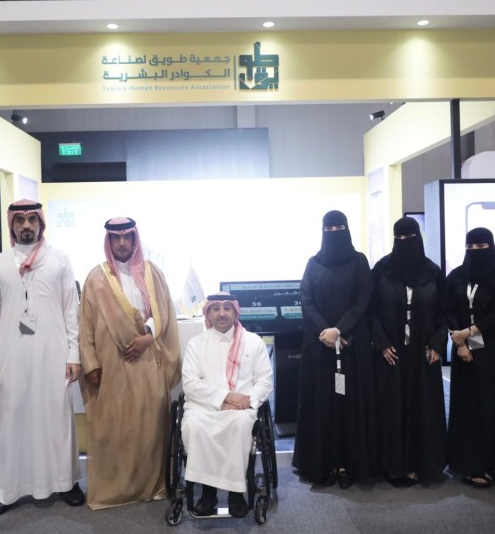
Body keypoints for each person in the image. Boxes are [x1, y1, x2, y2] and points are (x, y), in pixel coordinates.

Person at [0, 199, 85, 516]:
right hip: (11, 355)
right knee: (12, 419)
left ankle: (66, 482)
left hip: (54, 355)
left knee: (57, 418)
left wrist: (74, 354)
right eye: (20, 220)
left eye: (32, 219)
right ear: (12, 225)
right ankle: (7, 489)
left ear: (41, 223)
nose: (26, 225)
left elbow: (71, 311)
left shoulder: (59, 260)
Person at [78, 217, 182, 510]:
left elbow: (164, 312)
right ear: (109, 242)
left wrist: (147, 337)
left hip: (147, 361)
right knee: (115, 426)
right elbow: (85, 325)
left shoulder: (152, 273)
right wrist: (91, 365)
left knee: (150, 425)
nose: (122, 243)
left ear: (135, 240)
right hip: (111, 364)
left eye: (127, 237)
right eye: (116, 238)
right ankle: (115, 490)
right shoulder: (96, 277)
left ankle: (151, 486)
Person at [292, 210, 375, 489]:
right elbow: (306, 300)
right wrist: (326, 332)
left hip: (352, 346)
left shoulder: (359, 262)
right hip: (319, 348)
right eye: (329, 229)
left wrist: (340, 330)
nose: (334, 233)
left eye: (339, 228)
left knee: (350, 406)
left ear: (347, 230)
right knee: (322, 406)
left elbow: (364, 299)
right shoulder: (313, 263)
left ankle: (348, 464)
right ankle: (323, 464)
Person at [369, 217, 448, 486]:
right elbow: (370, 311)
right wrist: (381, 343)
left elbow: (444, 311)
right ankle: (393, 465)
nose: (404, 243)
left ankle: (420, 464)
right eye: (399, 239)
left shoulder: (433, 272)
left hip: (423, 352)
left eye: (409, 238)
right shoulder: (382, 270)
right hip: (390, 353)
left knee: (422, 407)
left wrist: (437, 343)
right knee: (391, 407)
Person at [180, 292, 274, 517]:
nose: (221, 313)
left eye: (227, 308)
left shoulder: (253, 341)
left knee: (240, 425)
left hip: (241, 408)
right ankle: (208, 493)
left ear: (235, 311)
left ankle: (236, 493)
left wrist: (246, 402)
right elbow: (190, 384)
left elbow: (264, 381)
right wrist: (225, 398)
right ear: (208, 313)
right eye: (216, 308)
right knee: (194, 426)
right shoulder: (195, 344)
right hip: (203, 406)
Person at [445, 227, 495, 489]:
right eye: (470, 247)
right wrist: (460, 341)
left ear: (491, 246)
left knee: (490, 404)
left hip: (493, 350)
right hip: (462, 349)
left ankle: (489, 464)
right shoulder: (456, 276)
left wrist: (469, 333)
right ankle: (464, 460)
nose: (475, 251)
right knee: (465, 406)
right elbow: (448, 309)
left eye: (481, 246)